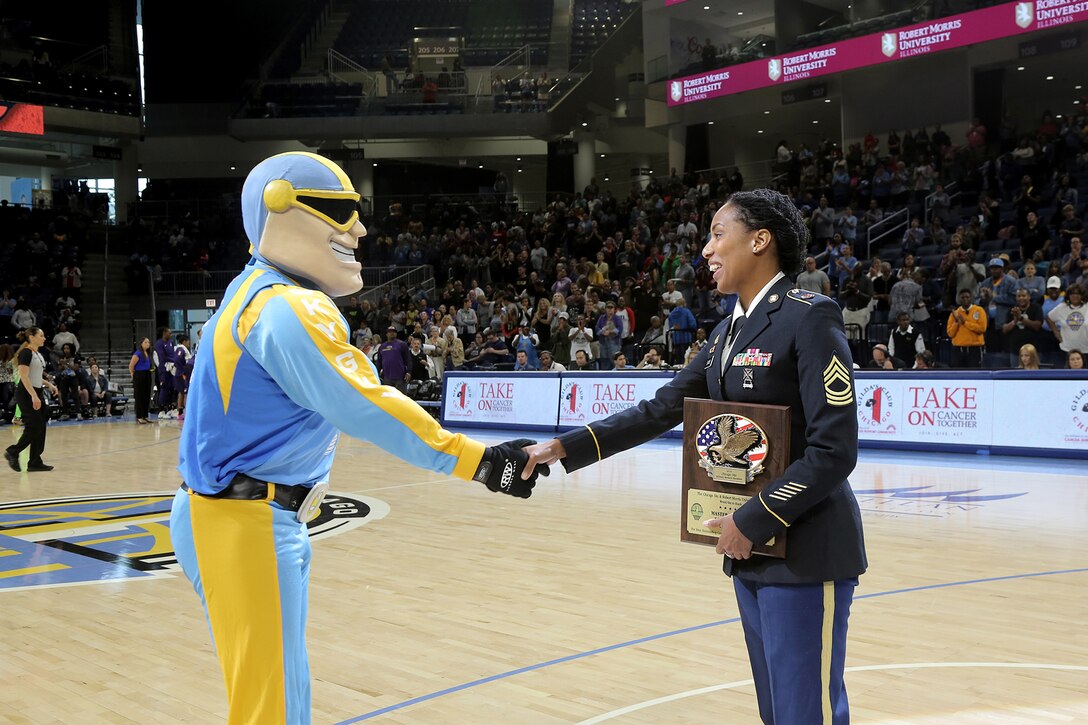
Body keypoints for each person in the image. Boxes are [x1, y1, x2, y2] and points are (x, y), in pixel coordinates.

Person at [169, 152, 548, 725]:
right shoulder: (287, 308)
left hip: (246, 514)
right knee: (270, 708)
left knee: (279, 696)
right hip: (245, 519)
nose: (360, 229)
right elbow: (366, 406)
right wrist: (478, 460)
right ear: (280, 207)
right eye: (342, 212)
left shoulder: (252, 290)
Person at [522, 189, 866, 724]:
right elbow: (660, 409)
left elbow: (834, 450)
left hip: (805, 548)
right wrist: (563, 447)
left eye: (717, 233)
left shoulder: (810, 316)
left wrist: (753, 519)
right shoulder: (726, 333)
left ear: (759, 240)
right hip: (751, 552)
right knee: (775, 711)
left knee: (806, 713)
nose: (705, 248)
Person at [5, 327, 60, 472]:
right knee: (34, 425)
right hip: (26, 393)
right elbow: (24, 376)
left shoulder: (38, 354)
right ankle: (13, 451)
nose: (44, 338)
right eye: (41, 336)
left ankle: (34, 461)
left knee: (41, 427)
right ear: (32, 337)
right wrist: (34, 396)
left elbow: (35, 375)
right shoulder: (26, 353)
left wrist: (49, 385)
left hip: (37, 391)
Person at [947, 289, 987, 368]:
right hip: (958, 350)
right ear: (959, 299)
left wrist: (965, 323)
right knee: (958, 376)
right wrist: (957, 322)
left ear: (971, 298)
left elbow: (982, 329)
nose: (965, 299)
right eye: (963, 297)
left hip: (974, 350)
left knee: (975, 375)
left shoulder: (979, 310)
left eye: (967, 297)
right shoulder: (955, 313)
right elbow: (950, 334)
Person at [129, 337, 153, 424]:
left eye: (148, 342)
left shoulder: (147, 353)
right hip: (139, 375)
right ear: (141, 343)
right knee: (139, 396)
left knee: (146, 395)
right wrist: (133, 375)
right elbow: (131, 366)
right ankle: (139, 416)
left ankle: (145, 415)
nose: (148, 344)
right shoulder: (137, 353)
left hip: (147, 374)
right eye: (146, 342)